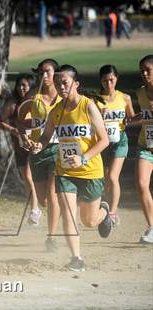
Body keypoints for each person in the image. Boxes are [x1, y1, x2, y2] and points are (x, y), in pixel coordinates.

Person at [31, 64, 111, 271]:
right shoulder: (56, 111)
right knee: (67, 212)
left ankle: (104, 212)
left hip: (90, 171)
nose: (60, 87)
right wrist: (38, 145)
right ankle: (77, 258)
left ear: (76, 84)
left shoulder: (88, 106)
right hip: (65, 171)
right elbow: (46, 136)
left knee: (89, 221)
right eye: (57, 83)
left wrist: (83, 158)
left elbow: (104, 140)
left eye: (64, 83)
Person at [17, 59, 61, 252]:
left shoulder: (64, 94)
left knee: (52, 195)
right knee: (43, 200)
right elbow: (19, 119)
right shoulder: (33, 95)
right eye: (40, 73)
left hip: (59, 149)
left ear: (56, 74)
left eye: (47, 72)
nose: (43, 76)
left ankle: (51, 237)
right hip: (37, 150)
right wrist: (24, 137)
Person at [96, 65, 137, 226]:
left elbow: (132, 118)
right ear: (101, 81)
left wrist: (129, 120)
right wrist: (99, 115)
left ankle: (112, 213)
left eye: (111, 80)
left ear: (116, 79)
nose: (108, 83)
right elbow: (88, 123)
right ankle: (106, 204)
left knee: (113, 176)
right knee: (105, 177)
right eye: (105, 80)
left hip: (120, 140)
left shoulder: (125, 98)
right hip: (102, 142)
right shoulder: (95, 100)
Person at [0, 74, 39, 225]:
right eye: (19, 85)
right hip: (20, 145)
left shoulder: (37, 102)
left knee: (33, 177)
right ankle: (35, 209)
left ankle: (36, 208)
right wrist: (14, 130)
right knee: (27, 177)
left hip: (37, 144)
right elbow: (1, 122)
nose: (21, 88)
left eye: (25, 85)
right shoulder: (13, 104)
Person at [136, 55, 153, 244]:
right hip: (146, 146)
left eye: (148, 69)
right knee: (141, 184)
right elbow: (143, 115)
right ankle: (152, 227)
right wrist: (129, 120)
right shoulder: (140, 92)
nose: (144, 73)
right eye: (142, 70)